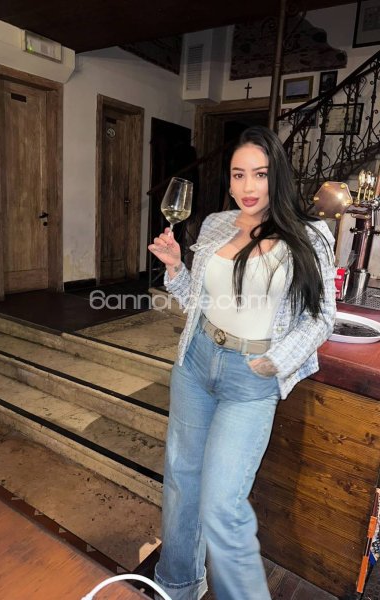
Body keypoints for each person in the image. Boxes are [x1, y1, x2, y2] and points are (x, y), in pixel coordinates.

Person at [148, 125, 336, 600]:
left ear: (278, 177)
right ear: (228, 179)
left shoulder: (310, 235)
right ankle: (177, 586)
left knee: (222, 505)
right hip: (196, 362)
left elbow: (321, 317)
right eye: (238, 174)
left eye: (260, 174)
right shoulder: (216, 223)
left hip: (250, 378)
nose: (248, 187)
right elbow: (196, 300)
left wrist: (276, 361)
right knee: (181, 483)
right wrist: (175, 267)